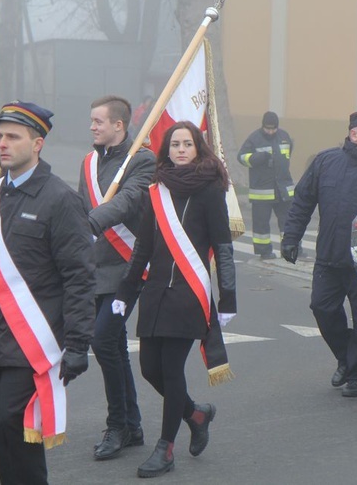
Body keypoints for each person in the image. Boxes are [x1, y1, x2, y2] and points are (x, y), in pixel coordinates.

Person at [0, 101, 97, 484]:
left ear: (37, 143)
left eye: (13, 137)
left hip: (32, 341)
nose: (3, 144)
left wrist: (77, 343)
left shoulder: (60, 200)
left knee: (16, 423)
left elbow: (79, 277)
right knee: (1, 434)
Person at [114, 121, 236, 478]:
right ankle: (196, 414)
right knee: (150, 369)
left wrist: (227, 297)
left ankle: (165, 449)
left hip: (188, 295)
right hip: (156, 295)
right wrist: (125, 292)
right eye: (175, 144)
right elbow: (143, 248)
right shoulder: (157, 192)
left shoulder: (211, 191)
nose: (181, 149)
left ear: (198, 148)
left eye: (187, 143)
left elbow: (224, 248)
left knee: (170, 369)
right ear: (166, 149)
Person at [281, 109, 357, 396]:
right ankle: (347, 356)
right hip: (329, 255)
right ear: (353, 133)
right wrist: (291, 237)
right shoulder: (326, 161)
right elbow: (303, 201)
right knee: (321, 308)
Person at [77, 95, 154, 460]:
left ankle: (117, 424)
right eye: (92, 121)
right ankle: (132, 425)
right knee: (113, 346)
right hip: (96, 266)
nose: (92, 127)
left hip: (129, 266)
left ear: (118, 125)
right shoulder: (89, 163)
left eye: (98, 121)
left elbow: (127, 201)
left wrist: (91, 221)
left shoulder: (142, 160)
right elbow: (79, 206)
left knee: (102, 339)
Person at [237, 111, 297, 259]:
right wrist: (258, 157)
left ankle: (290, 249)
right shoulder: (254, 138)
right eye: (267, 128)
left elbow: (287, 155)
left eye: (273, 129)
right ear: (262, 126)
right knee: (261, 225)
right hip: (262, 191)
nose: (270, 131)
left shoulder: (284, 136)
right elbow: (241, 157)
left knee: (289, 222)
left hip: (283, 189)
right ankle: (264, 251)